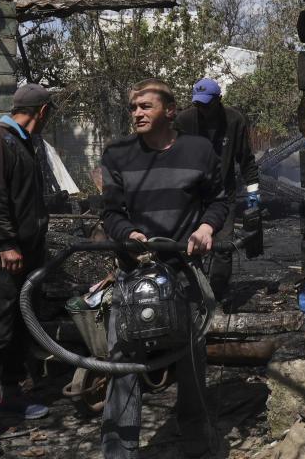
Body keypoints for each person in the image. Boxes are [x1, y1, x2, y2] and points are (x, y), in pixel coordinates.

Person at [100, 78, 229, 459]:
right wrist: (128, 234)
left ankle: (195, 443)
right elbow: (110, 212)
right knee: (122, 363)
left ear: (170, 110)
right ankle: (119, 450)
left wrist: (206, 228)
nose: (137, 114)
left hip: (184, 274)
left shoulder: (199, 150)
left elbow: (219, 201)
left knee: (191, 361)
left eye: (146, 107)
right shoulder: (117, 153)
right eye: (133, 108)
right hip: (133, 277)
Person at [0, 83, 56, 457]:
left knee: (20, 326)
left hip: (26, 255)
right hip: (2, 256)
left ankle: (12, 395)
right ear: (44, 111)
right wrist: (6, 242)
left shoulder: (23, 143)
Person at [173, 78, 260, 306]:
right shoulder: (185, 121)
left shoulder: (234, 120)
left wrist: (254, 197)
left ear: (219, 99)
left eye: (207, 104)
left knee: (222, 247)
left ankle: (215, 297)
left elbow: (246, 160)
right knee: (188, 246)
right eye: (198, 104)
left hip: (223, 195)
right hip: (191, 195)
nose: (202, 109)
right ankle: (191, 297)